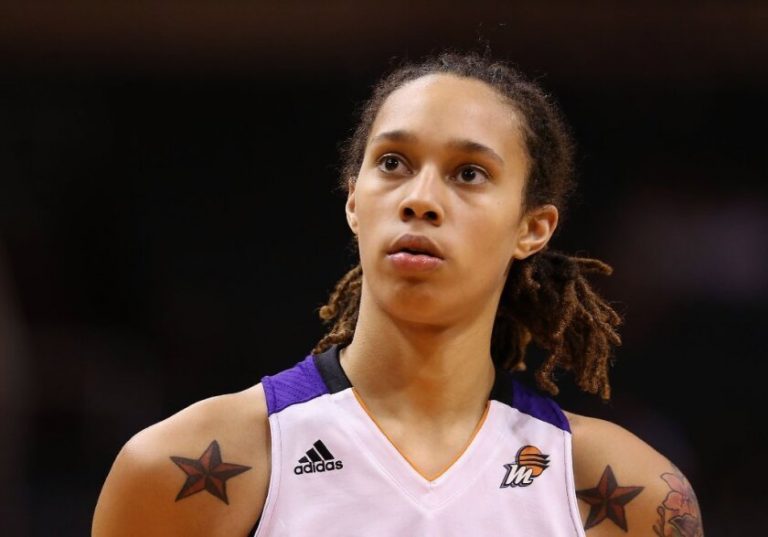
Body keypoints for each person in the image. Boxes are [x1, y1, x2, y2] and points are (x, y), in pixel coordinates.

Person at [92, 51, 703, 537]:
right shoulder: (187, 466)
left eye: (469, 173)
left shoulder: (621, 490)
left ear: (533, 228)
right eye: (392, 163)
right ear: (354, 201)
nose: (420, 198)